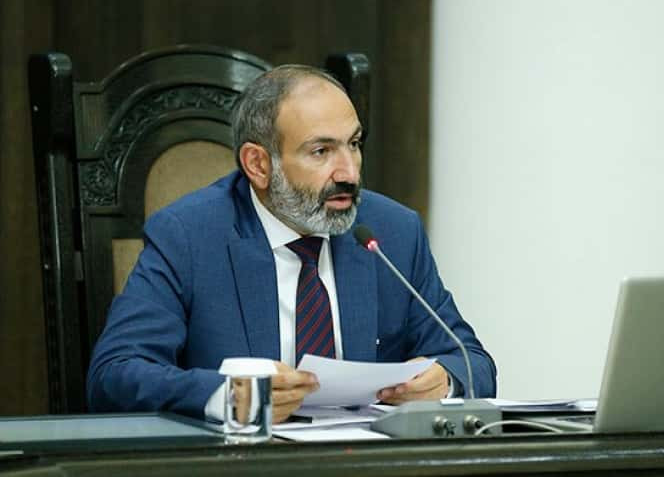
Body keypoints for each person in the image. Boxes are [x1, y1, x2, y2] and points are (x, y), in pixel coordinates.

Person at [87, 65, 496, 423]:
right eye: (321, 151)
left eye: (354, 144)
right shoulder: (189, 236)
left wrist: (446, 381)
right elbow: (114, 374)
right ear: (258, 165)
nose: (349, 173)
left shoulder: (391, 231)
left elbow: (472, 361)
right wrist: (227, 396)